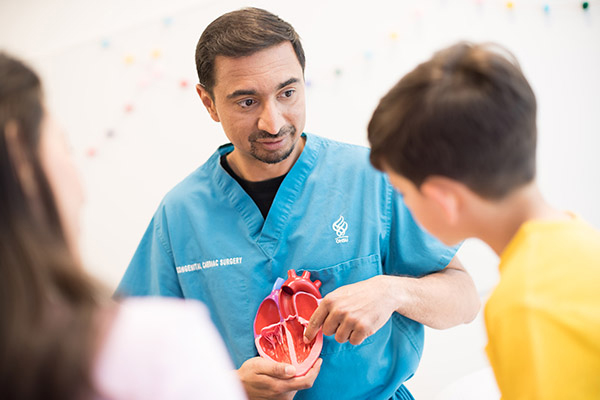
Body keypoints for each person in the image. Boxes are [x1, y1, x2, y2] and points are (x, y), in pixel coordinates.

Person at [116, 8, 480, 400]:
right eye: (246, 102)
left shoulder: (370, 177)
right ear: (208, 102)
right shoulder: (181, 215)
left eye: (287, 93)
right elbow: (132, 361)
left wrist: (393, 292)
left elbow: (464, 299)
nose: (273, 123)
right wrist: (227, 385)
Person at [0, 52, 247, 400]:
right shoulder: (157, 345)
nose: (272, 122)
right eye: (64, 148)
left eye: (288, 93)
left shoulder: (352, 173)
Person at [367, 42, 600, 399]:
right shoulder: (580, 238)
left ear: (444, 199)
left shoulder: (524, 304)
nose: (404, 205)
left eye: (402, 192)